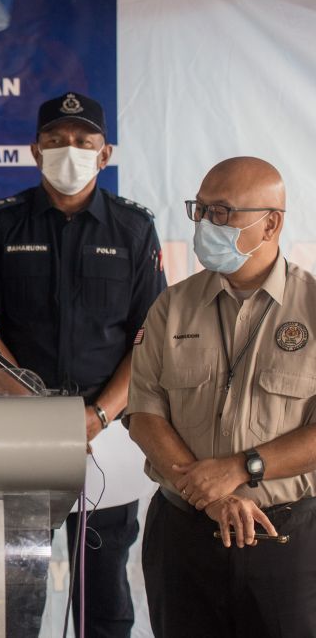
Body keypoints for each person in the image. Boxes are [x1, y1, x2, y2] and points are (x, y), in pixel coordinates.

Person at [0, 92, 167, 637]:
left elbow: (150, 339)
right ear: (36, 151)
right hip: (19, 432)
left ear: (105, 154)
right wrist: (39, 412)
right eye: (55, 141)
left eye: (82, 141)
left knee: (104, 596)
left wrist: (97, 416)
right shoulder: (1, 223)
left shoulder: (133, 228)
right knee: (14, 596)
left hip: (106, 438)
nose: (68, 150)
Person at [128, 156, 316, 637]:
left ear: (271, 223)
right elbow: (145, 413)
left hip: (285, 542)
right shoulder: (172, 305)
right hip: (184, 536)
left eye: (222, 212)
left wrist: (240, 468)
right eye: (200, 209)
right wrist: (210, 497)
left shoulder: (312, 307)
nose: (205, 223)